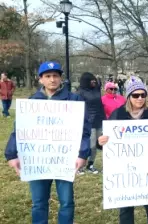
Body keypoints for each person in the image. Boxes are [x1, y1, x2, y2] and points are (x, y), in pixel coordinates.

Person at [4, 61, 91, 224]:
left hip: (65, 160)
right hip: (37, 160)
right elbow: (20, 130)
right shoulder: (32, 102)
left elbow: (84, 130)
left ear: (61, 79)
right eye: (48, 76)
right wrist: (11, 154)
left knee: (66, 202)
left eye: (56, 76)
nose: (52, 80)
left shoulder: (74, 100)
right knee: (38, 203)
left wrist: (82, 154)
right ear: (40, 79)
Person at [98, 76, 148, 224]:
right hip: (125, 169)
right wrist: (101, 141)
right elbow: (107, 138)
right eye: (136, 95)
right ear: (129, 96)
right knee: (126, 206)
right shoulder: (118, 114)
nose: (140, 98)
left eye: (143, 95)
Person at [76, 72, 106, 174]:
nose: (94, 82)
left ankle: (90, 164)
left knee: (97, 145)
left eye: (94, 80)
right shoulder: (81, 92)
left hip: (99, 120)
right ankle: (80, 166)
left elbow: (99, 85)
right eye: (92, 80)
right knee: (90, 145)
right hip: (89, 121)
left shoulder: (96, 89)